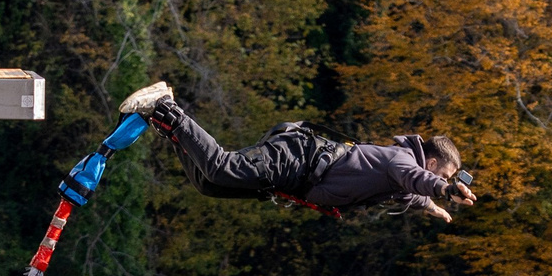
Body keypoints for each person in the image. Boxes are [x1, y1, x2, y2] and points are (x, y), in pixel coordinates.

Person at [121, 82, 478, 219]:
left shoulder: (400, 178)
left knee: (209, 183)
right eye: (442, 174)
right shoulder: (402, 163)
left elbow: (411, 190)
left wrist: (432, 206)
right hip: (298, 158)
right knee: (221, 168)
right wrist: (445, 190)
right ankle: (167, 106)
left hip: (295, 178)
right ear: (431, 162)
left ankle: (166, 124)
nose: (442, 182)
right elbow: (416, 178)